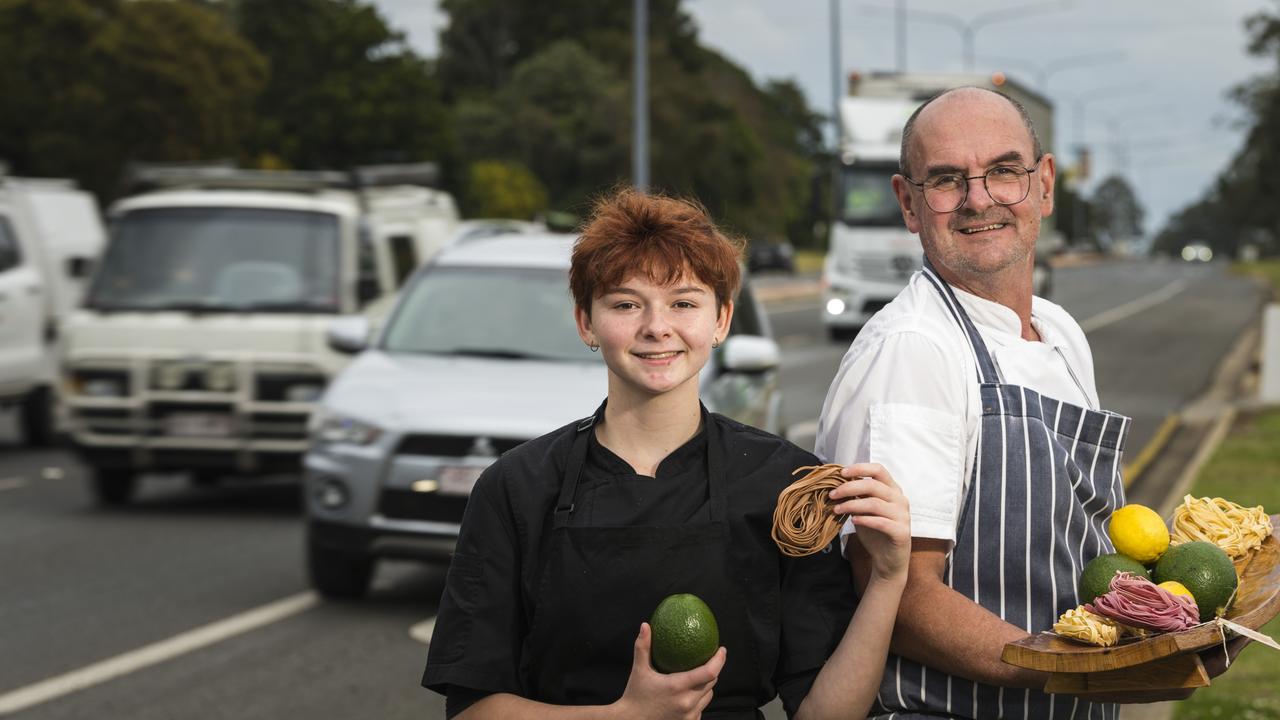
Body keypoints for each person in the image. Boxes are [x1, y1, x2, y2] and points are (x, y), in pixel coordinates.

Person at [815, 86, 1243, 720]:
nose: (979, 198)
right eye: (946, 180)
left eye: (1003, 172)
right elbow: (900, 600)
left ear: (1043, 185)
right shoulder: (914, 350)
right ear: (909, 204)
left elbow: (1086, 536)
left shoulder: (1058, 330)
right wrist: (1081, 668)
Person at [422, 188, 912, 719]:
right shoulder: (515, 489)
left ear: (721, 320)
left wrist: (888, 579)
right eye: (627, 304)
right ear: (587, 322)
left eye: (683, 303)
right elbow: (472, 710)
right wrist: (623, 717)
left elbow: (826, 714)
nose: (657, 327)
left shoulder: (786, 485)